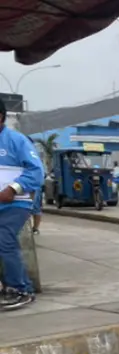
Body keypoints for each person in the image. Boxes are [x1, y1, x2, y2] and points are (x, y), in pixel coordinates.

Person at [0, 99, 45, 311]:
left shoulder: (16, 141)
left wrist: (14, 188)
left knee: (4, 237)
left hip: (16, 203)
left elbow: (36, 172)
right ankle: (7, 285)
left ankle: (22, 289)